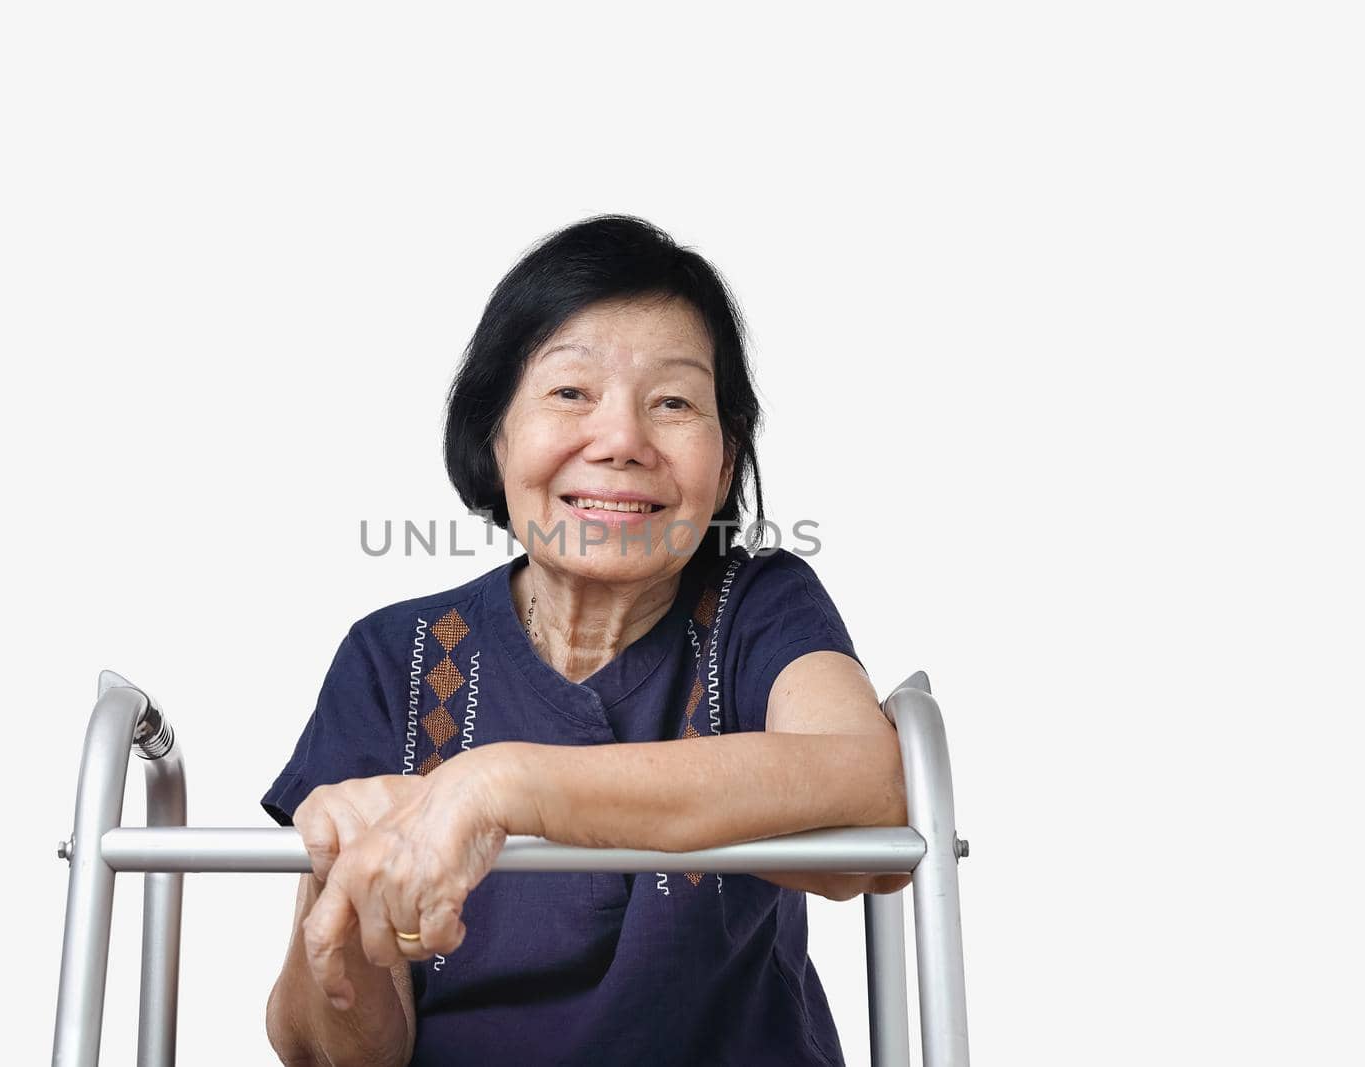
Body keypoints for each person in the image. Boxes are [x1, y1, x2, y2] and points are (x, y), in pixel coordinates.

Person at [260, 215, 909, 1067]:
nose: (623, 443)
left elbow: (871, 794)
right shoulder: (395, 656)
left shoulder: (758, 608)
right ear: (496, 435)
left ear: (724, 461)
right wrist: (341, 905)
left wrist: (504, 784)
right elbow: (337, 1056)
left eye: (673, 402)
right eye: (571, 393)